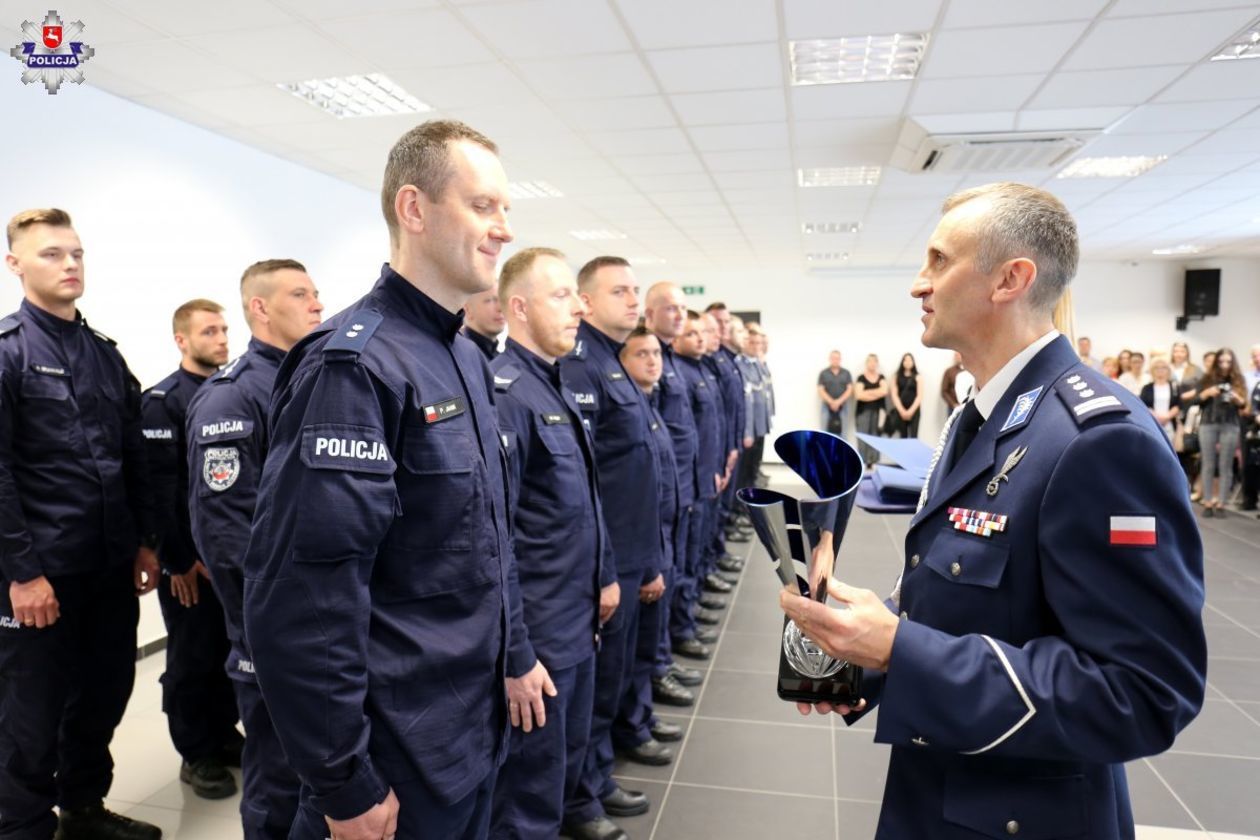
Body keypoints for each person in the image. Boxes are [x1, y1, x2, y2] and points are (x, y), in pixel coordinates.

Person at [780, 182, 1206, 840]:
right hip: (940, 788)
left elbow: (1142, 692)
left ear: (1011, 279)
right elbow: (960, 595)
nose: (918, 284)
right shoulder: (980, 415)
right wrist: (860, 650)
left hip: (1025, 816)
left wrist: (900, 649)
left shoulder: (1098, 440)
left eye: (939, 260)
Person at [243, 121, 516, 840]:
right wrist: (344, 781)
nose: (503, 228)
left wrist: (514, 657)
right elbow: (305, 594)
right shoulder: (355, 365)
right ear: (414, 209)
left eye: (505, 209)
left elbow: (486, 540)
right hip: (394, 757)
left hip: (469, 732)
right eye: (482, 206)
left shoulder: (462, 355)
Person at [0, 208, 162, 840]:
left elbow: (133, 457)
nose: (69, 264)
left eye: (76, 253)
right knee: (30, 717)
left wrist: (145, 542)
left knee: (103, 695)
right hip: (42, 574)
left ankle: (84, 810)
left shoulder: (104, 356)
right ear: (15, 264)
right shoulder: (9, 353)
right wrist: (22, 574)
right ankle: (22, 828)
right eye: (51, 254)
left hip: (109, 568)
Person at [186, 259, 323, 839]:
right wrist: (271, 634)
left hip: (326, 623)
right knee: (281, 783)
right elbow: (228, 541)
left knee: (323, 778)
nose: (318, 304)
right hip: (278, 634)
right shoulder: (233, 399)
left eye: (316, 293)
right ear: (260, 308)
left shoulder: (314, 381)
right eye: (300, 294)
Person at [487, 248, 619, 840]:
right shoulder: (507, 395)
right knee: (529, 793)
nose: (578, 307)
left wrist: (604, 575)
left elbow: (582, 501)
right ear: (519, 308)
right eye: (561, 296)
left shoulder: (553, 383)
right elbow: (497, 537)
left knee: (564, 763)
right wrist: (518, 653)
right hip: (540, 630)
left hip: (576, 615)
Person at [561, 257, 663, 832]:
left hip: (629, 551)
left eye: (635, 290)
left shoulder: (612, 364)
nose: (632, 300)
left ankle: (596, 778)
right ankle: (583, 796)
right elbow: (586, 483)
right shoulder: (584, 367)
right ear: (587, 302)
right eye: (619, 291)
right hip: (606, 558)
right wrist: (605, 570)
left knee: (615, 676)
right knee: (598, 687)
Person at [140, 299, 240, 801]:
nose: (221, 339)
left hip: (226, 559)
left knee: (227, 651)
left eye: (223, 329)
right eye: (208, 331)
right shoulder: (164, 402)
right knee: (192, 658)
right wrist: (177, 561)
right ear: (182, 340)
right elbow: (161, 492)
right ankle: (196, 752)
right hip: (189, 563)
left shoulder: (230, 392)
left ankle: (222, 735)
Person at [1196, 348, 1247, 517]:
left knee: (1226, 464)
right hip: (1208, 422)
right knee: (1208, 463)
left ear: (1233, 363)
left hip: (1230, 423)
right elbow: (1196, 400)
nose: (1225, 365)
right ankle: (1207, 501)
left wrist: (1236, 397)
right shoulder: (1207, 378)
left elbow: (1243, 404)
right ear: (1216, 362)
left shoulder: (1238, 379)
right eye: (1221, 361)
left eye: (1228, 362)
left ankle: (1221, 503)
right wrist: (1207, 393)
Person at [853, 353, 888, 466]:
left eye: (874, 361)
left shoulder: (881, 377)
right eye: (870, 361)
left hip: (878, 412)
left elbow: (884, 391)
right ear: (866, 363)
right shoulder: (861, 378)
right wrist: (877, 393)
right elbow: (858, 395)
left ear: (877, 363)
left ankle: (874, 464)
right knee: (863, 438)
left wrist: (867, 392)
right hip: (863, 412)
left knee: (876, 437)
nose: (872, 363)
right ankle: (862, 464)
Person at [1140, 357, 1181, 444]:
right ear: (1152, 370)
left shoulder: (1174, 387)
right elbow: (1143, 405)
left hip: (1170, 424)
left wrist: (1167, 416)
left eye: (1163, 367)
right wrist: (1156, 417)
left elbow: (1178, 404)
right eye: (1157, 368)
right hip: (1152, 423)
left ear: (1168, 370)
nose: (1160, 370)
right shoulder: (1147, 388)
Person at [463, 282, 505, 360]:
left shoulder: (500, 357)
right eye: (489, 300)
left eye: (502, 300)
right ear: (467, 310)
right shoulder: (465, 358)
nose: (500, 308)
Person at [817, 350, 853, 434]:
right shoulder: (823, 373)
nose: (835, 360)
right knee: (825, 433)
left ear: (840, 359)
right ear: (830, 359)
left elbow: (850, 389)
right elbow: (820, 390)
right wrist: (832, 402)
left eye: (837, 358)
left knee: (843, 433)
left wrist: (838, 402)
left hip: (843, 406)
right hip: (826, 406)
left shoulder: (846, 373)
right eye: (833, 358)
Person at [889, 352, 923, 439]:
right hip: (900, 409)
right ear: (902, 362)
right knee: (902, 437)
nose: (908, 362)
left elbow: (919, 396)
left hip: (914, 410)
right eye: (905, 360)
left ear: (913, 362)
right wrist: (902, 411)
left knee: (914, 437)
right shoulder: (896, 376)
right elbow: (894, 395)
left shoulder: (918, 377)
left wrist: (910, 411)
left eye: (910, 360)